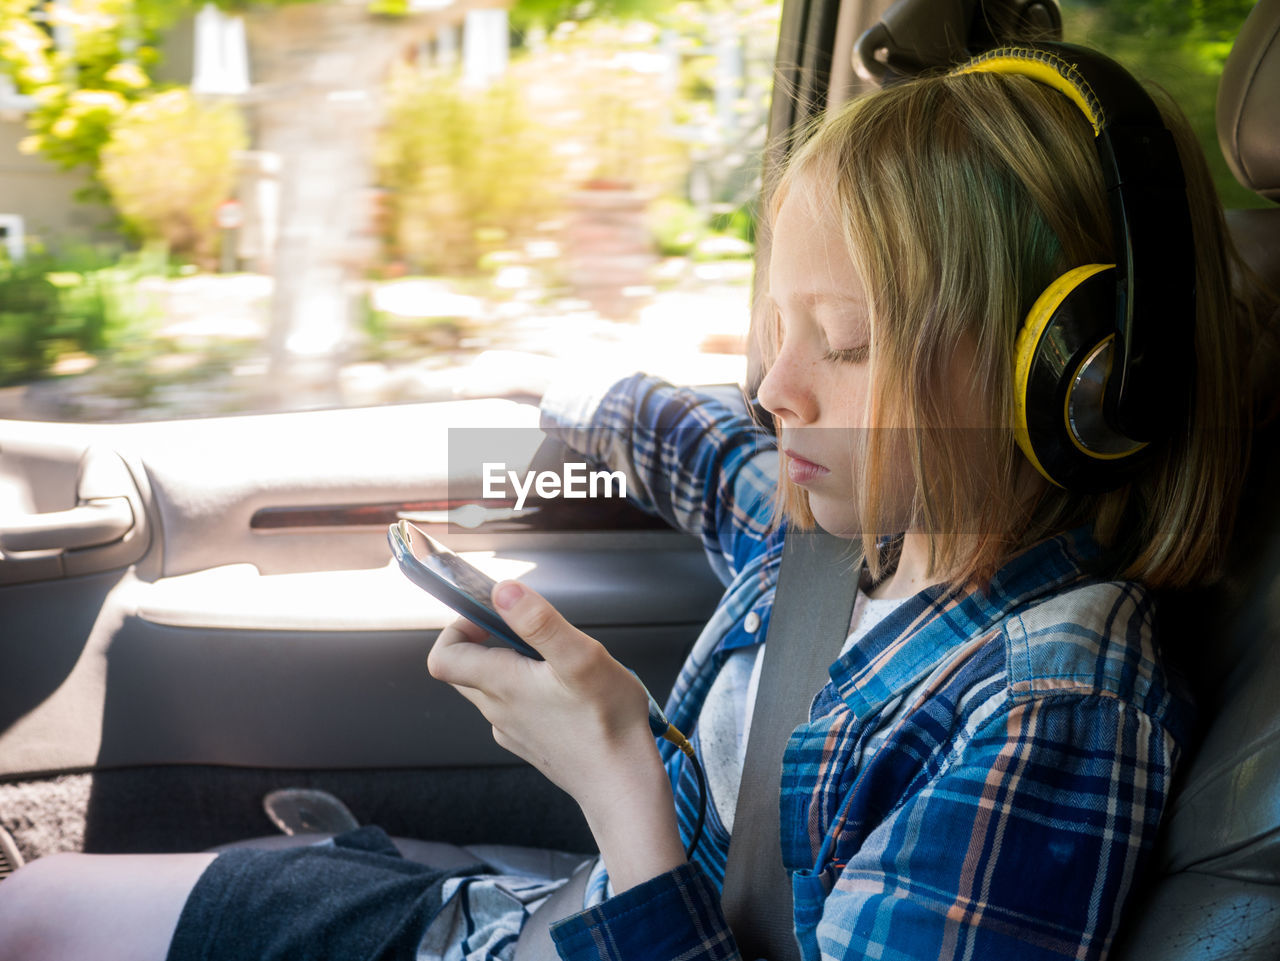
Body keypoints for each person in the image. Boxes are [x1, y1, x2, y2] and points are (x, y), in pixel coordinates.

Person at [0, 47, 1254, 961]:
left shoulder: (1045, 709)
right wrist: (581, 383)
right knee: (34, 906)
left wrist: (615, 782)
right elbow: (700, 443)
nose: (777, 387)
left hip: (592, 913)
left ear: (1072, 380)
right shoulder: (845, 539)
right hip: (526, 919)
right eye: (774, 332)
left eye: (847, 343)